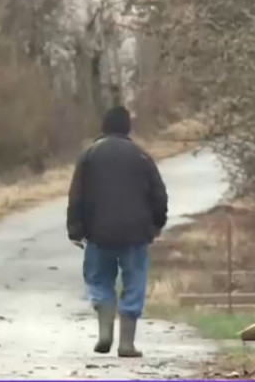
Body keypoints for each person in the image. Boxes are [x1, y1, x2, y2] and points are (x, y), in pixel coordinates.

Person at [66, 105, 168, 358]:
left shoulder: (89, 155)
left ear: (103, 127)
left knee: (99, 279)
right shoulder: (141, 156)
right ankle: (126, 343)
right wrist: (156, 225)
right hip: (136, 234)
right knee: (134, 283)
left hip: (98, 234)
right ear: (127, 127)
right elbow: (159, 195)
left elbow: (75, 195)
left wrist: (75, 229)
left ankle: (104, 329)